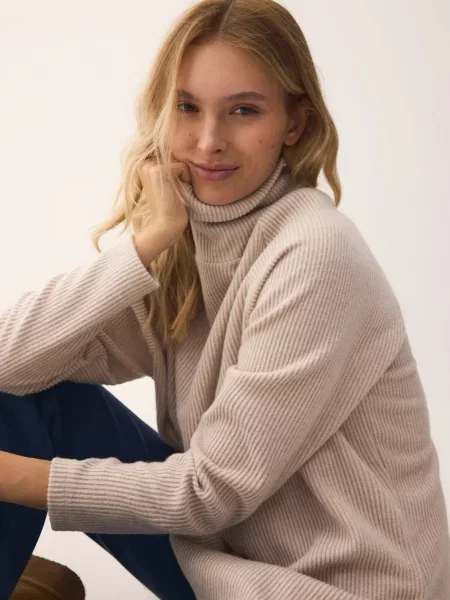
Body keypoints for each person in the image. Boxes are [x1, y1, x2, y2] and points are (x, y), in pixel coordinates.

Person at [0, 0, 449, 598]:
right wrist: (148, 242)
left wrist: (13, 477)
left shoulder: (315, 256)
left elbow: (212, 492)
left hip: (317, 588)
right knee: (24, 396)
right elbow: (8, 363)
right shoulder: (185, 244)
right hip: (225, 557)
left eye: (243, 110)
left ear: (294, 123)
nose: (209, 141)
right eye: (187, 107)